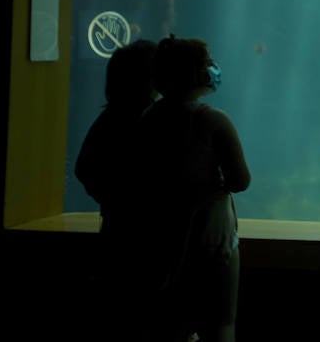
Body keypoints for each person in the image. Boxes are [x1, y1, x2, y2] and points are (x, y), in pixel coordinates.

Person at [137, 35, 251, 342]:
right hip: (211, 234)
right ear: (194, 73)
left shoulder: (149, 118)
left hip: (162, 233)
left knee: (170, 322)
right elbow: (241, 180)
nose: (214, 68)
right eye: (207, 62)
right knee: (221, 323)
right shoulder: (214, 121)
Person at [75, 38, 159, 341]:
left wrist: (111, 200)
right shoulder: (151, 119)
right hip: (143, 235)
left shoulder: (110, 116)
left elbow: (83, 168)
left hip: (117, 229)